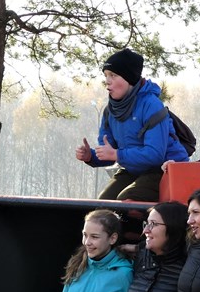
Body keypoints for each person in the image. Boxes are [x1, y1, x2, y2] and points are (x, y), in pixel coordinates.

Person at [76, 48, 190, 202]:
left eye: (113, 75)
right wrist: (91, 156)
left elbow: (155, 155)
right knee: (104, 203)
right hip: (133, 169)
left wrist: (117, 155)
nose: (107, 81)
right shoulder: (110, 111)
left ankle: (144, 225)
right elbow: (109, 152)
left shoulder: (151, 105)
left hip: (164, 169)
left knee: (128, 200)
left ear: (129, 79)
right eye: (106, 75)